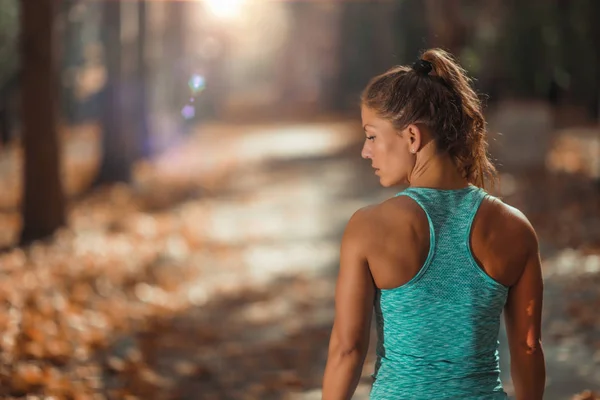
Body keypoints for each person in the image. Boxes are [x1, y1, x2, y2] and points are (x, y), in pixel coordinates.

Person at [321, 48, 545, 400]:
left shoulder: (367, 228)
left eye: (371, 135)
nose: (366, 151)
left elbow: (347, 350)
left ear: (411, 137)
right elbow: (529, 346)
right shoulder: (515, 228)